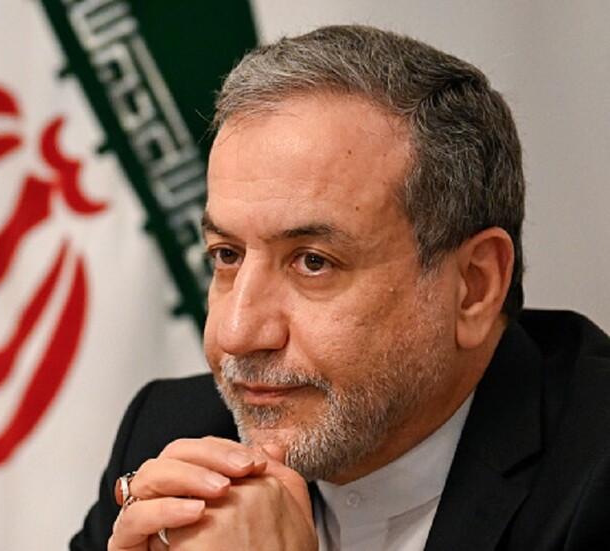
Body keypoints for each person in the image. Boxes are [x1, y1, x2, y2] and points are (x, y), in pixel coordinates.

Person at [71, 24, 610, 550]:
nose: (236, 333)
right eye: (227, 255)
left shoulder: (595, 475)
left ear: (473, 286)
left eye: (313, 262)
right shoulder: (173, 437)